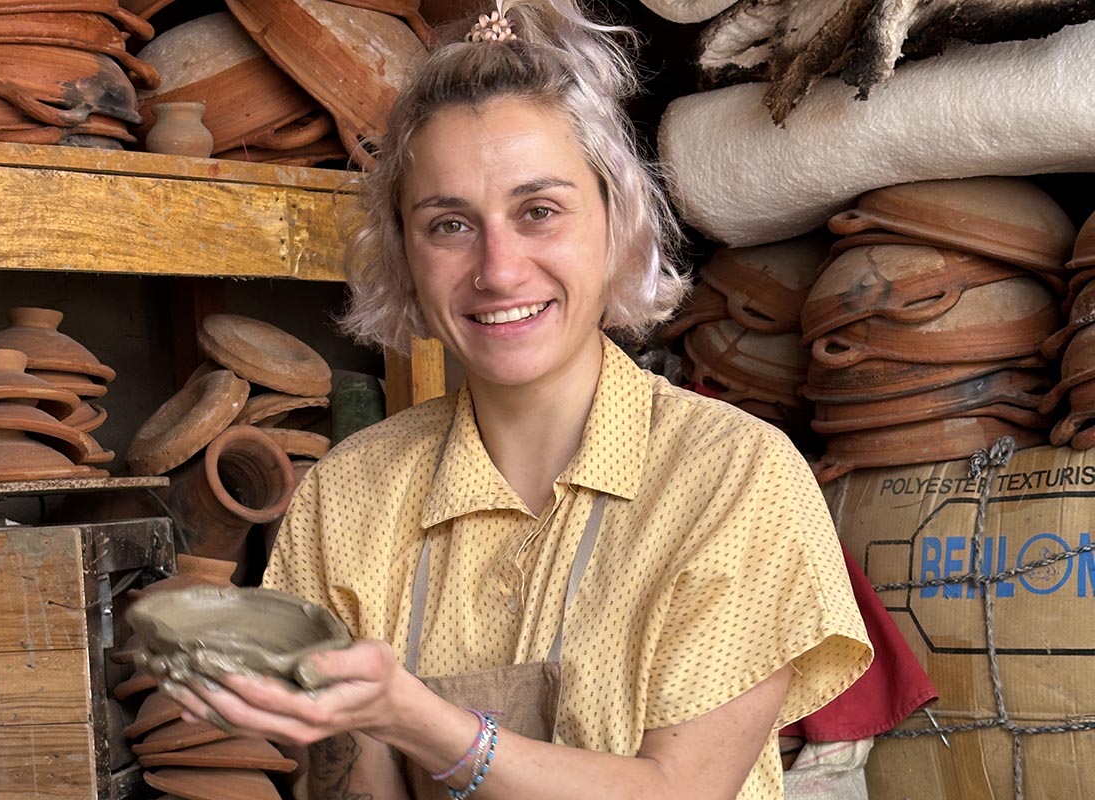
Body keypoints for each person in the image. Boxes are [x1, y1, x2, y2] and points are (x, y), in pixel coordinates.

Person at [171, 1, 873, 797]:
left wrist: (420, 721)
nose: (499, 270)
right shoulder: (349, 496)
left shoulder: (734, 476)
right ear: (404, 254)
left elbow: (680, 790)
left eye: (539, 212)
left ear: (617, 222)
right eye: (449, 225)